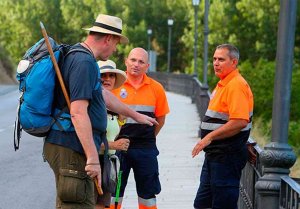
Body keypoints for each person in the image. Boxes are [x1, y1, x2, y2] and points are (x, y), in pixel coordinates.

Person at [43, 14, 157, 209]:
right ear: (108, 39)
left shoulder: (84, 58)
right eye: (116, 44)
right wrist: (93, 158)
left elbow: (102, 95)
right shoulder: (84, 62)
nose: (115, 49)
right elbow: (78, 112)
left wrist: (135, 115)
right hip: (71, 147)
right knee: (77, 204)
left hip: (71, 145)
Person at [192, 44, 253, 209]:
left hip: (227, 157)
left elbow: (240, 121)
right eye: (214, 59)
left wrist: (209, 137)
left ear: (233, 62)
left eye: (221, 59)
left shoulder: (236, 85)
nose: (216, 63)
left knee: (223, 204)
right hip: (214, 155)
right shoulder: (223, 84)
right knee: (202, 204)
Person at [110, 47, 170, 209]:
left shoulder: (156, 88)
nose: (136, 64)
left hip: (145, 148)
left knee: (147, 194)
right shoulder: (114, 84)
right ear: (126, 62)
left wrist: (149, 137)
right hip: (119, 148)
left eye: (141, 61)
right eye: (133, 60)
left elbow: (161, 119)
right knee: (114, 191)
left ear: (147, 66)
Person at [96, 59, 130, 209]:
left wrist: (120, 122)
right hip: (94, 163)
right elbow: (89, 141)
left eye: (111, 76)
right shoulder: (94, 104)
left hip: (107, 163)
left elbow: (108, 133)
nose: (107, 79)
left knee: (104, 205)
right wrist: (115, 145)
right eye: (103, 75)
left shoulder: (110, 104)